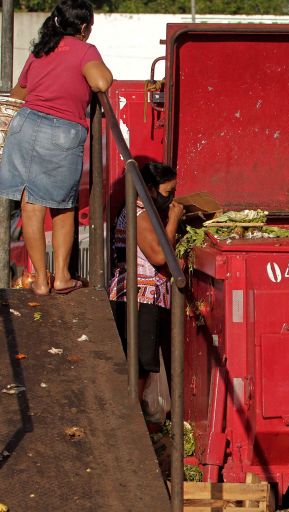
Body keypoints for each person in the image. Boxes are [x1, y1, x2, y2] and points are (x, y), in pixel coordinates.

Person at [0, 0, 112, 296]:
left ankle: (39, 280)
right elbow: (102, 82)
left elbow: (18, 93)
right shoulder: (85, 49)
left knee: (30, 205)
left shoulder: (42, 50)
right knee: (62, 206)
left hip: (25, 127)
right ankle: (61, 276)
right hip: (62, 131)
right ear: (85, 27)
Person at [108, 162, 184, 418]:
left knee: (140, 365)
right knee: (138, 366)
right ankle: (130, 422)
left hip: (142, 296)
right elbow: (160, 255)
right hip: (139, 297)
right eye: (167, 192)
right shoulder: (139, 212)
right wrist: (173, 220)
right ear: (150, 189)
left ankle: (132, 419)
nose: (171, 198)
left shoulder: (143, 211)